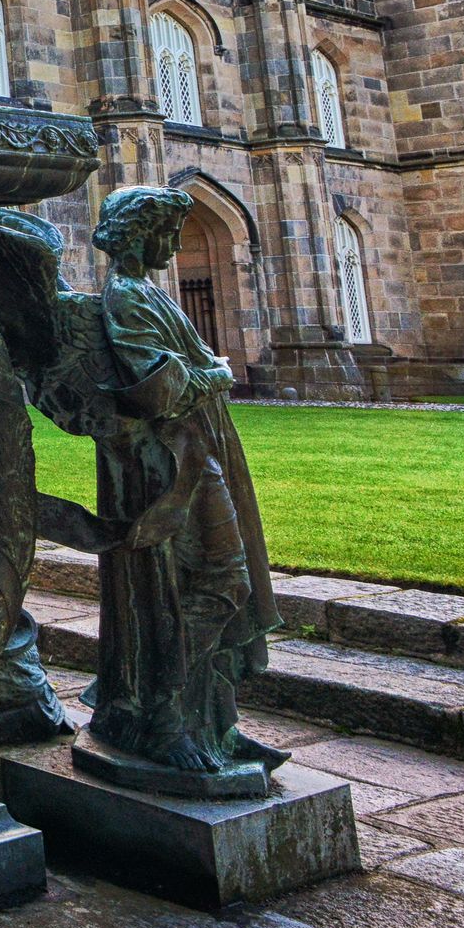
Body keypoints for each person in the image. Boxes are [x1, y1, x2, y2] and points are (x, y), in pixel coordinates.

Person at [69, 185, 285, 797]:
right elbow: (155, 387)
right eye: (166, 233)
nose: (174, 245)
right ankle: (165, 715)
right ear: (139, 234)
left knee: (215, 582)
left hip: (200, 445)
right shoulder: (128, 297)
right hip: (170, 461)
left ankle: (213, 718)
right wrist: (215, 371)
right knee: (213, 582)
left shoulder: (148, 294)